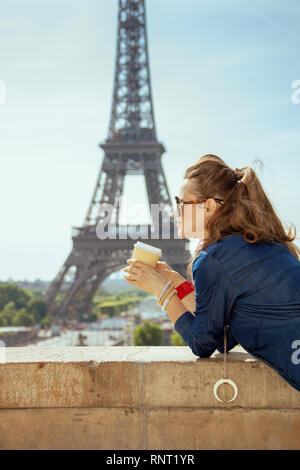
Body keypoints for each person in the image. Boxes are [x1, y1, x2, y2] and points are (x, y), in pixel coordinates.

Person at [123, 154, 300, 392]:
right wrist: (176, 283)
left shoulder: (213, 260)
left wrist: (162, 291)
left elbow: (202, 344)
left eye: (181, 203)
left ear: (208, 207)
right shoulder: (265, 244)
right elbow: (223, 337)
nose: (175, 213)